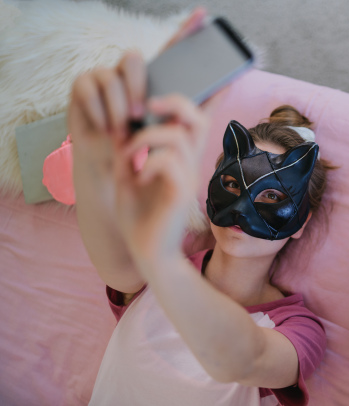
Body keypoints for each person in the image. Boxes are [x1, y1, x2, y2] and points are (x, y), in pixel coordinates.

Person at [68, 8, 333, 406]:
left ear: (300, 222)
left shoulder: (296, 329)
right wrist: (90, 155)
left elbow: (244, 359)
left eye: (273, 197)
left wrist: (161, 260)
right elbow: (115, 268)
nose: (243, 205)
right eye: (231, 183)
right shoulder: (148, 277)